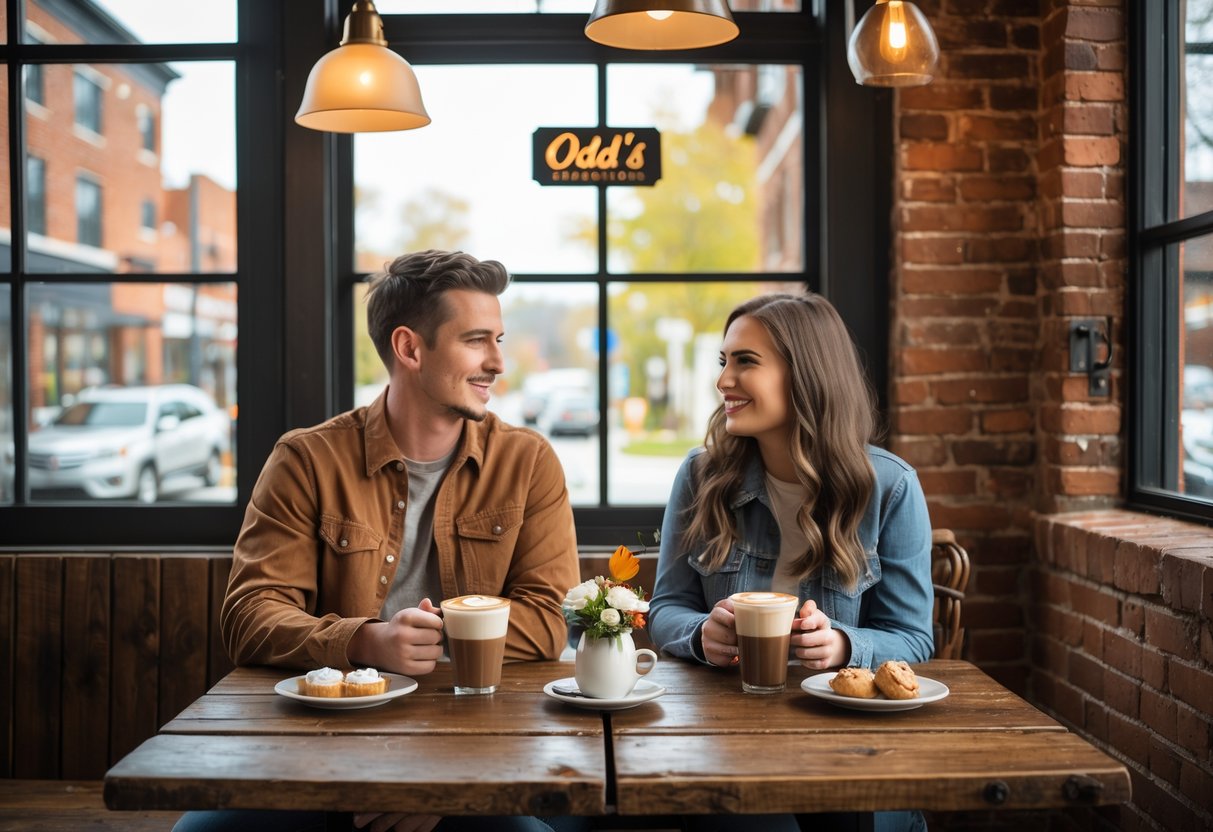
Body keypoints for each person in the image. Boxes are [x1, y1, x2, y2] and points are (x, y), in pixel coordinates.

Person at [174, 250, 581, 832]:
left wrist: (433, 640)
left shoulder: (527, 461)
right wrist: (367, 642)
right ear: (410, 349)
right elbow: (249, 616)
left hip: (477, 741)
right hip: (324, 738)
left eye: (498, 339)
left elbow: (548, 620)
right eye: (476, 341)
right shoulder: (306, 459)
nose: (497, 362)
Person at [648, 292, 933, 832]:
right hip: (730, 734)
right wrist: (701, 634)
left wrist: (845, 646)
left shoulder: (890, 488)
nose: (723, 380)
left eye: (745, 361)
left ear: (805, 375)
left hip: (850, 739)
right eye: (723, 361)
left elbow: (913, 639)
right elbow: (666, 607)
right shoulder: (701, 476)